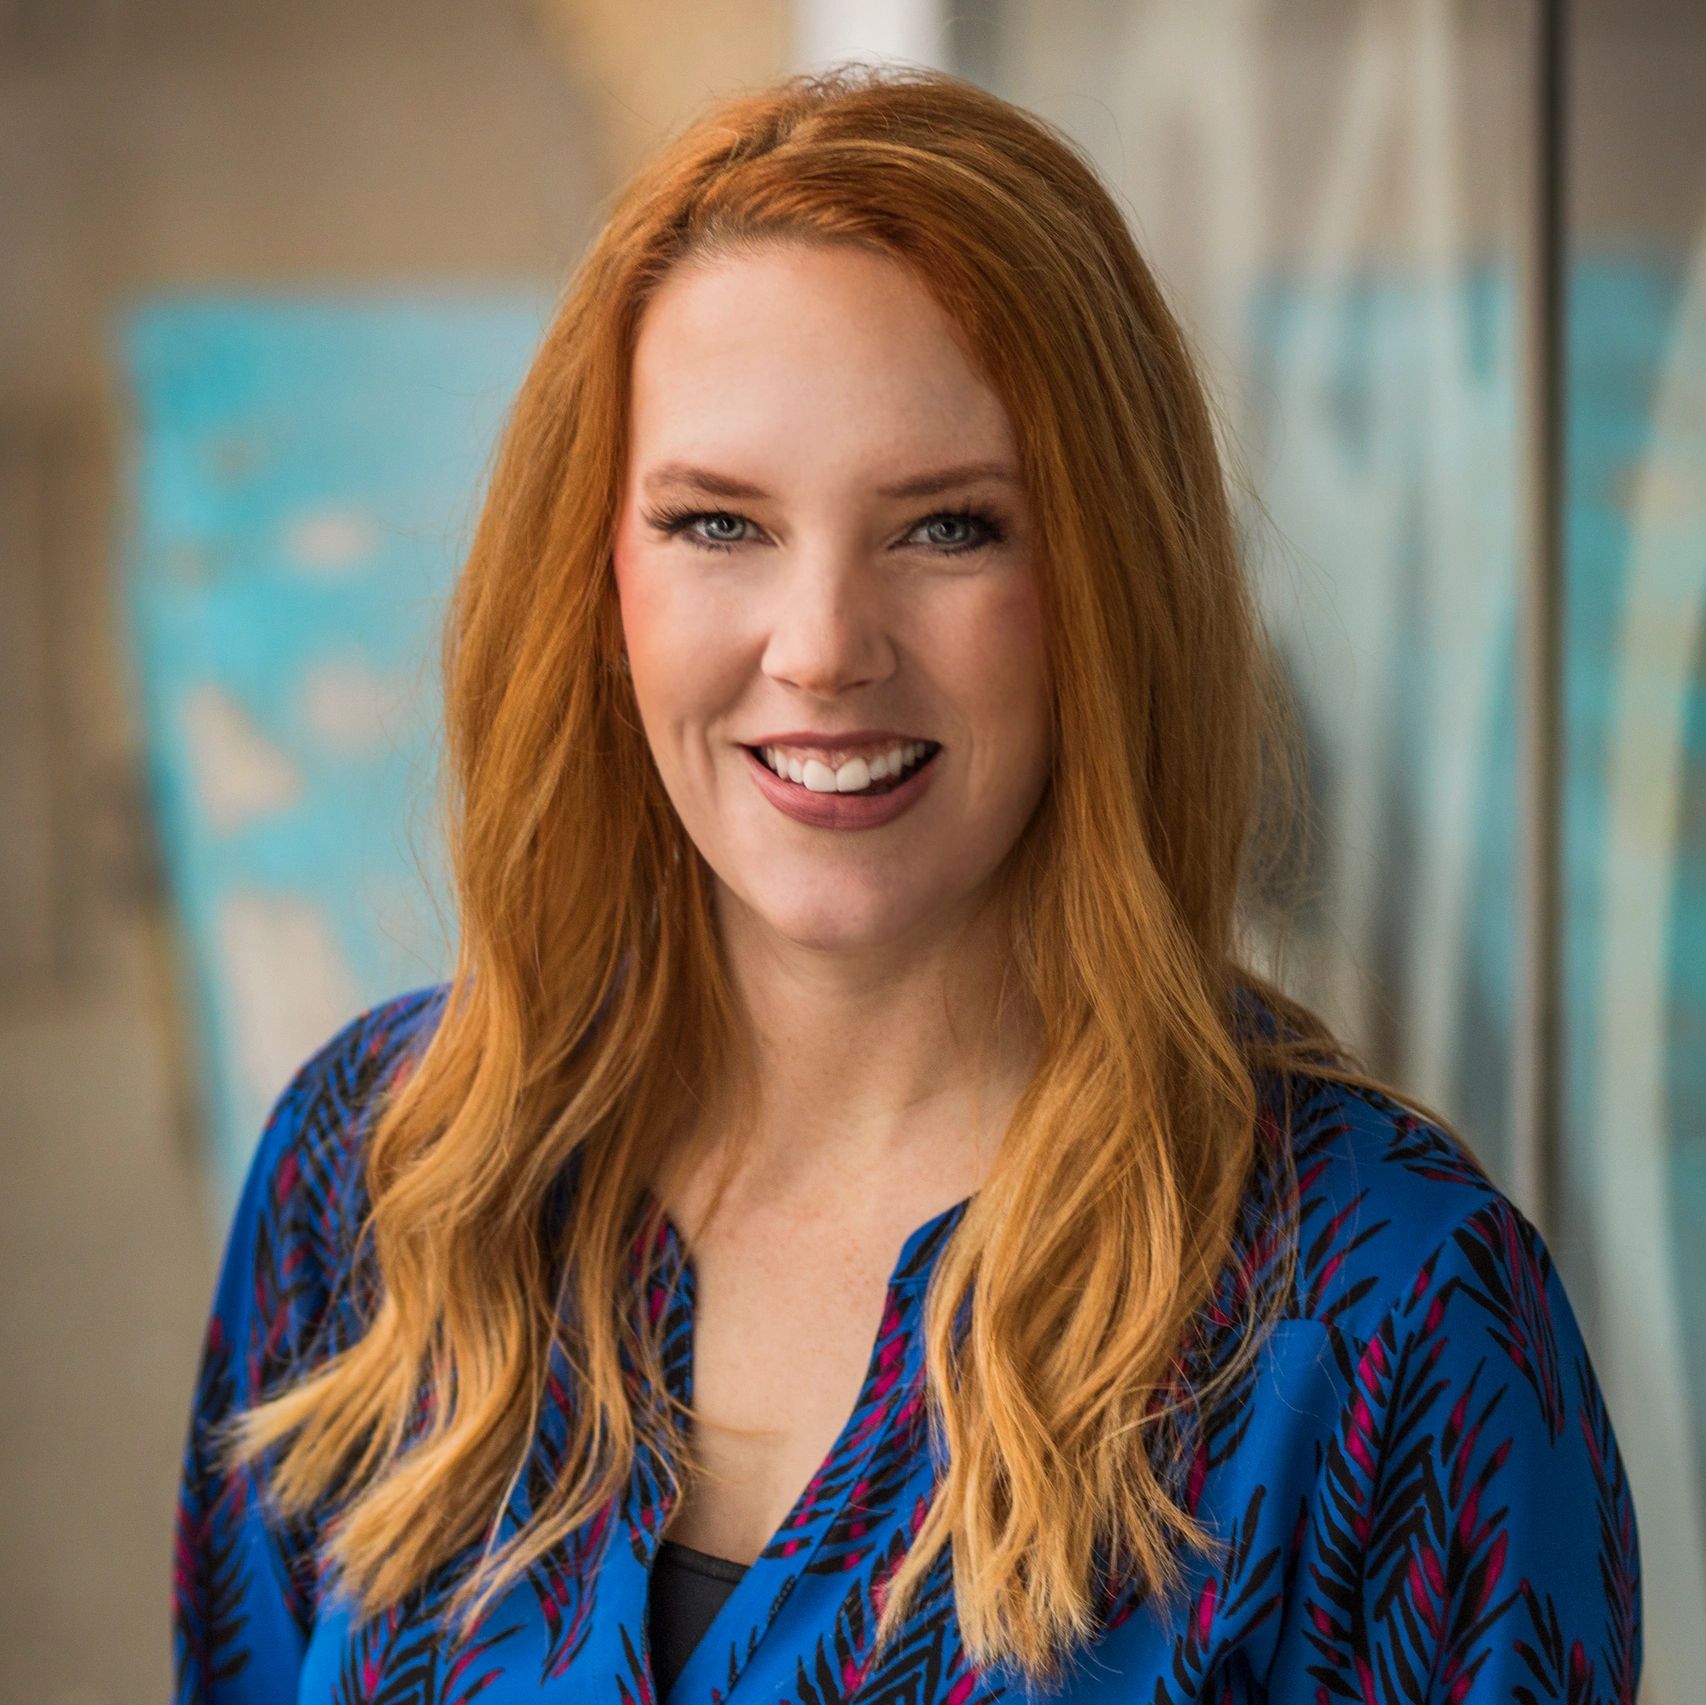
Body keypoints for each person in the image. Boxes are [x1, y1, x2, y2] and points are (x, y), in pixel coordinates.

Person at [171, 63, 1642, 1704]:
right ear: (600, 580)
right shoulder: (381, 1183)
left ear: (1108, 579)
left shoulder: (1385, 1314)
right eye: (718, 524)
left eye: (946, 528)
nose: (820, 648)